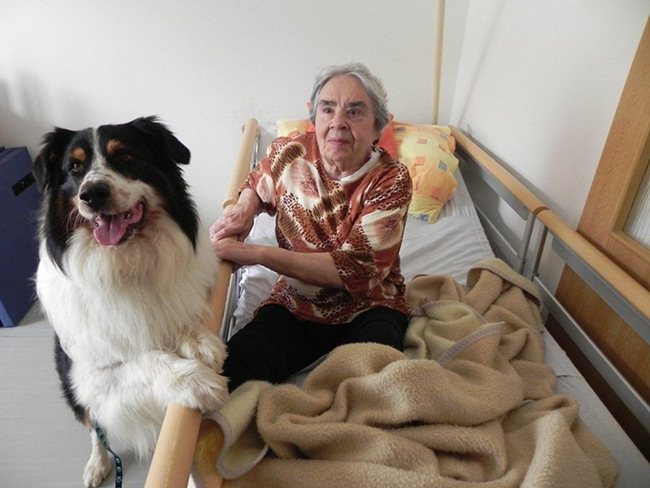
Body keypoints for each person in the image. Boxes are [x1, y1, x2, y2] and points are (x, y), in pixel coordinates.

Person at [210, 63, 412, 392]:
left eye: (354, 112)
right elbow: (258, 180)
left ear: (378, 126)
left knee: (380, 389)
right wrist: (244, 209)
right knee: (227, 375)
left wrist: (256, 254)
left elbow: (357, 269)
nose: (337, 123)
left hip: (370, 306)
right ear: (314, 117)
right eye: (327, 109)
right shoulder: (290, 153)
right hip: (296, 304)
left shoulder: (391, 179)